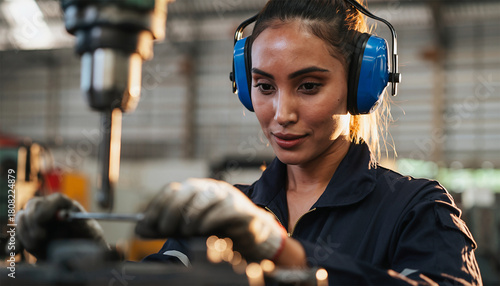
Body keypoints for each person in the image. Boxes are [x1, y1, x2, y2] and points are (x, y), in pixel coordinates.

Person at [17, 0, 482, 285]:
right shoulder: (225, 214)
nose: (281, 114)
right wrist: (88, 258)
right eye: (264, 86)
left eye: (308, 86)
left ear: (361, 85)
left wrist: (283, 252)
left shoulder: (415, 209)